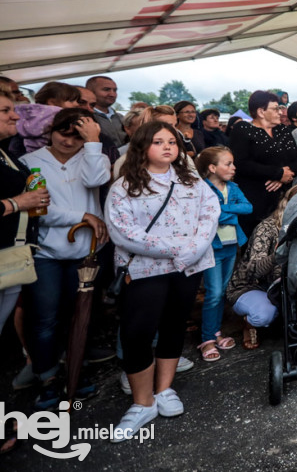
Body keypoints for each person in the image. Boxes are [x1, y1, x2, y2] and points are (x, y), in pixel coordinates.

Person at [105, 121, 219, 442]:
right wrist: (176, 248)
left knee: (174, 325)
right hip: (145, 268)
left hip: (188, 266)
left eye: (172, 141)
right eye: (158, 142)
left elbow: (209, 212)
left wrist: (194, 248)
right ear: (142, 147)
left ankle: (165, 389)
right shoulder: (124, 186)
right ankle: (143, 403)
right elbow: (123, 232)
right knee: (138, 332)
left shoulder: (190, 180)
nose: (168, 147)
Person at [21, 108, 111, 409]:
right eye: (64, 133)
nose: (69, 141)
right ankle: (47, 377)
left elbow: (95, 180)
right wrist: (81, 215)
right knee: (45, 318)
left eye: (77, 136)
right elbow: (37, 210)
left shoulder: (92, 156)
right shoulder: (30, 163)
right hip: (46, 253)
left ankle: (75, 370)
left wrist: (93, 143)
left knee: (81, 315)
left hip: (86, 253)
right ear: (50, 130)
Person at [0, 84, 50, 453]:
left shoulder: (1, 154)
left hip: (10, 260)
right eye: (5, 110)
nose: (15, 115)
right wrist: (16, 202)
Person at [227, 184, 297, 349]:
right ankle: (249, 323)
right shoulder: (268, 228)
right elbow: (255, 270)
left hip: (285, 285)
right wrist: (278, 253)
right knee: (264, 315)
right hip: (254, 285)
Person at [195, 147, 252, 362]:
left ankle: (216, 332)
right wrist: (228, 211)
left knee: (222, 291)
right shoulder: (202, 189)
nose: (233, 167)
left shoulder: (233, 187)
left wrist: (222, 210)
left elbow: (247, 207)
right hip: (212, 248)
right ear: (212, 168)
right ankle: (207, 338)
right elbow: (206, 214)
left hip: (231, 245)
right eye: (228, 164)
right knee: (213, 293)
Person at [229, 91, 297, 237]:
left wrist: (284, 177)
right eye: (275, 108)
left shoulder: (283, 130)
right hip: (256, 198)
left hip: (283, 196)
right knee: (256, 243)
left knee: (283, 240)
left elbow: (296, 160)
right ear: (261, 111)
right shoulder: (243, 129)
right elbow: (241, 164)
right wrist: (278, 174)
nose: (280, 112)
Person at [86, 76, 127, 147]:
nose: (112, 94)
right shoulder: (88, 119)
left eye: (115, 90)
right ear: (90, 92)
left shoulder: (120, 117)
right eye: (106, 89)